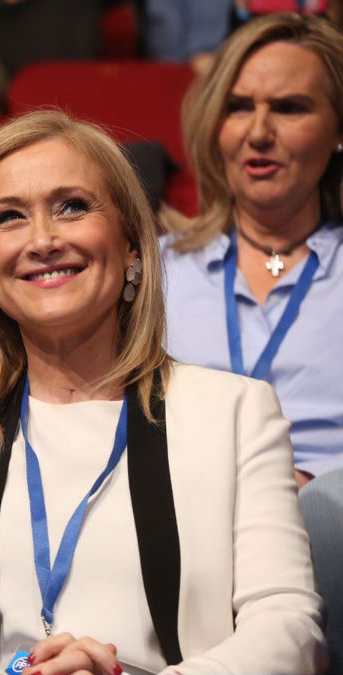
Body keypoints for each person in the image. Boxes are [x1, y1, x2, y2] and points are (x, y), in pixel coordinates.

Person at [0, 110, 325, 674]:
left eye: (72, 206)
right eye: (9, 217)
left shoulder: (237, 413)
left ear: (133, 242)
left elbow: (287, 627)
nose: (43, 239)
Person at [162, 12, 343, 670]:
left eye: (290, 107)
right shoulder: (146, 272)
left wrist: (304, 494)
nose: (259, 133)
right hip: (178, 524)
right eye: (239, 107)